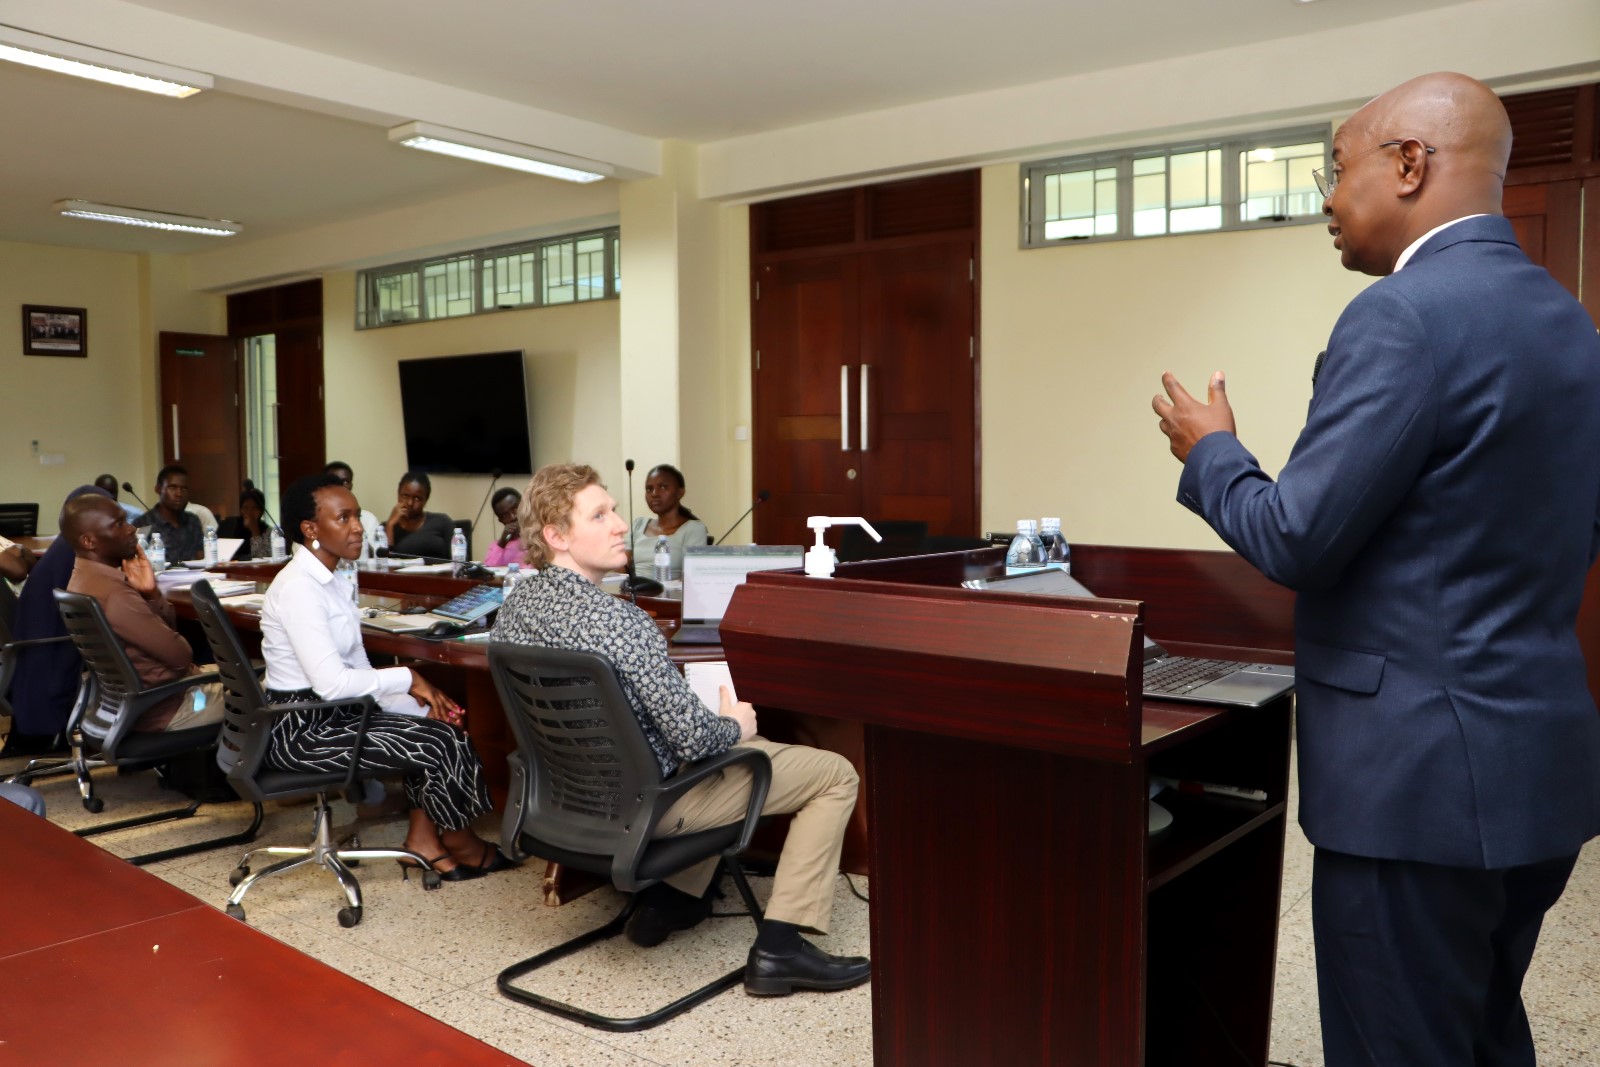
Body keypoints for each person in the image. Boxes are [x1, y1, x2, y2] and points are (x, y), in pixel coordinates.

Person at [1152, 72, 1600, 1067]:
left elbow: (1296, 538)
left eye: (1334, 167)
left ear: (1408, 163)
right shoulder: (1571, 326)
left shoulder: (1399, 317)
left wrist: (1210, 450)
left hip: (1416, 792)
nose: (1323, 196)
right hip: (1536, 775)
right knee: (1483, 1027)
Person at [493, 463, 869, 996]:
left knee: (740, 750)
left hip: (561, 802)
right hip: (645, 808)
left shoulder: (514, 611)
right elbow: (693, 740)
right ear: (556, 536)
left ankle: (673, 900)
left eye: (615, 510)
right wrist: (734, 722)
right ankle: (781, 951)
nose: (622, 524)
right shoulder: (621, 622)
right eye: (600, 515)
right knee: (832, 772)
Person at [260, 473, 511, 880]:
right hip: (301, 727)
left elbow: (358, 667)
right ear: (310, 530)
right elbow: (332, 684)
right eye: (343, 518)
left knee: (434, 725)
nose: (358, 526)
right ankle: (461, 841)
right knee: (440, 743)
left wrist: (416, 704)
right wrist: (408, 678)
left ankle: (423, 840)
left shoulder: (334, 578)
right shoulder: (299, 589)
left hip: (335, 712)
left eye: (357, 515)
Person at [62, 494, 225, 732]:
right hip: (170, 708)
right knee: (266, 689)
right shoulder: (115, 593)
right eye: (118, 524)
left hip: (128, 708)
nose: (131, 529)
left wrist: (150, 594)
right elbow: (181, 655)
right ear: (89, 541)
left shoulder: (81, 580)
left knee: (233, 674)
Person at [1, 484, 107, 757]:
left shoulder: (64, 552)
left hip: (28, 662)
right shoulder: (77, 558)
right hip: (47, 667)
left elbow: (23, 561)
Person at [627, 464, 709, 576]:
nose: (654, 494)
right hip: (632, 592)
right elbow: (620, 566)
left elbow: (693, 577)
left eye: (663, 487)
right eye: (649, 489)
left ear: (680, 493)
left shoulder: (693, 529)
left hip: (670, 592)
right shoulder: (639, 524)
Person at [135, 465, 204, 563]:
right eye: (172, 487)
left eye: (184, 489)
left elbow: (201, 556)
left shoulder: (193, 521)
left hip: (194, 576)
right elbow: (136, 562)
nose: (179, 494)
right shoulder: (142, 524)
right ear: (158, 489)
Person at [383, 472, 454, 559]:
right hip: (400, 573)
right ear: (398, 495)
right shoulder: (385, 528)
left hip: (439, 572)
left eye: (417, 498)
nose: (410, 503)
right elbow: (384, 565)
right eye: (405, 496)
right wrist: (390, 526)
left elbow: (460, 562)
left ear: (426, 500)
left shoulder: (442, 522)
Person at [323, 461, 381, 557]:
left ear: (351, 485)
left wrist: (357, 521)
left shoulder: (368, 518)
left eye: (345, 482)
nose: (341, 486)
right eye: (335, 481)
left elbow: (376, 557)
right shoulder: (318, 519)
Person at [216, 488, 273, 560]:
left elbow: (262, 558)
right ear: (240, 509)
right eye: (245, 508)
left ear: (261, 510)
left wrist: (255, 531)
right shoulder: (229, 525)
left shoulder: (268, 531)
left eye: (254, 508)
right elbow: (218, 554)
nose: (249, 512)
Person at [481, 487, 523, 567]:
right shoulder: (497, 545)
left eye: (515, 509)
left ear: (524, 507)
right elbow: (489, 571)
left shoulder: (540, 538)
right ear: (501, 521)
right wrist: (502, 544)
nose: (512, 517)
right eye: (505, 515)